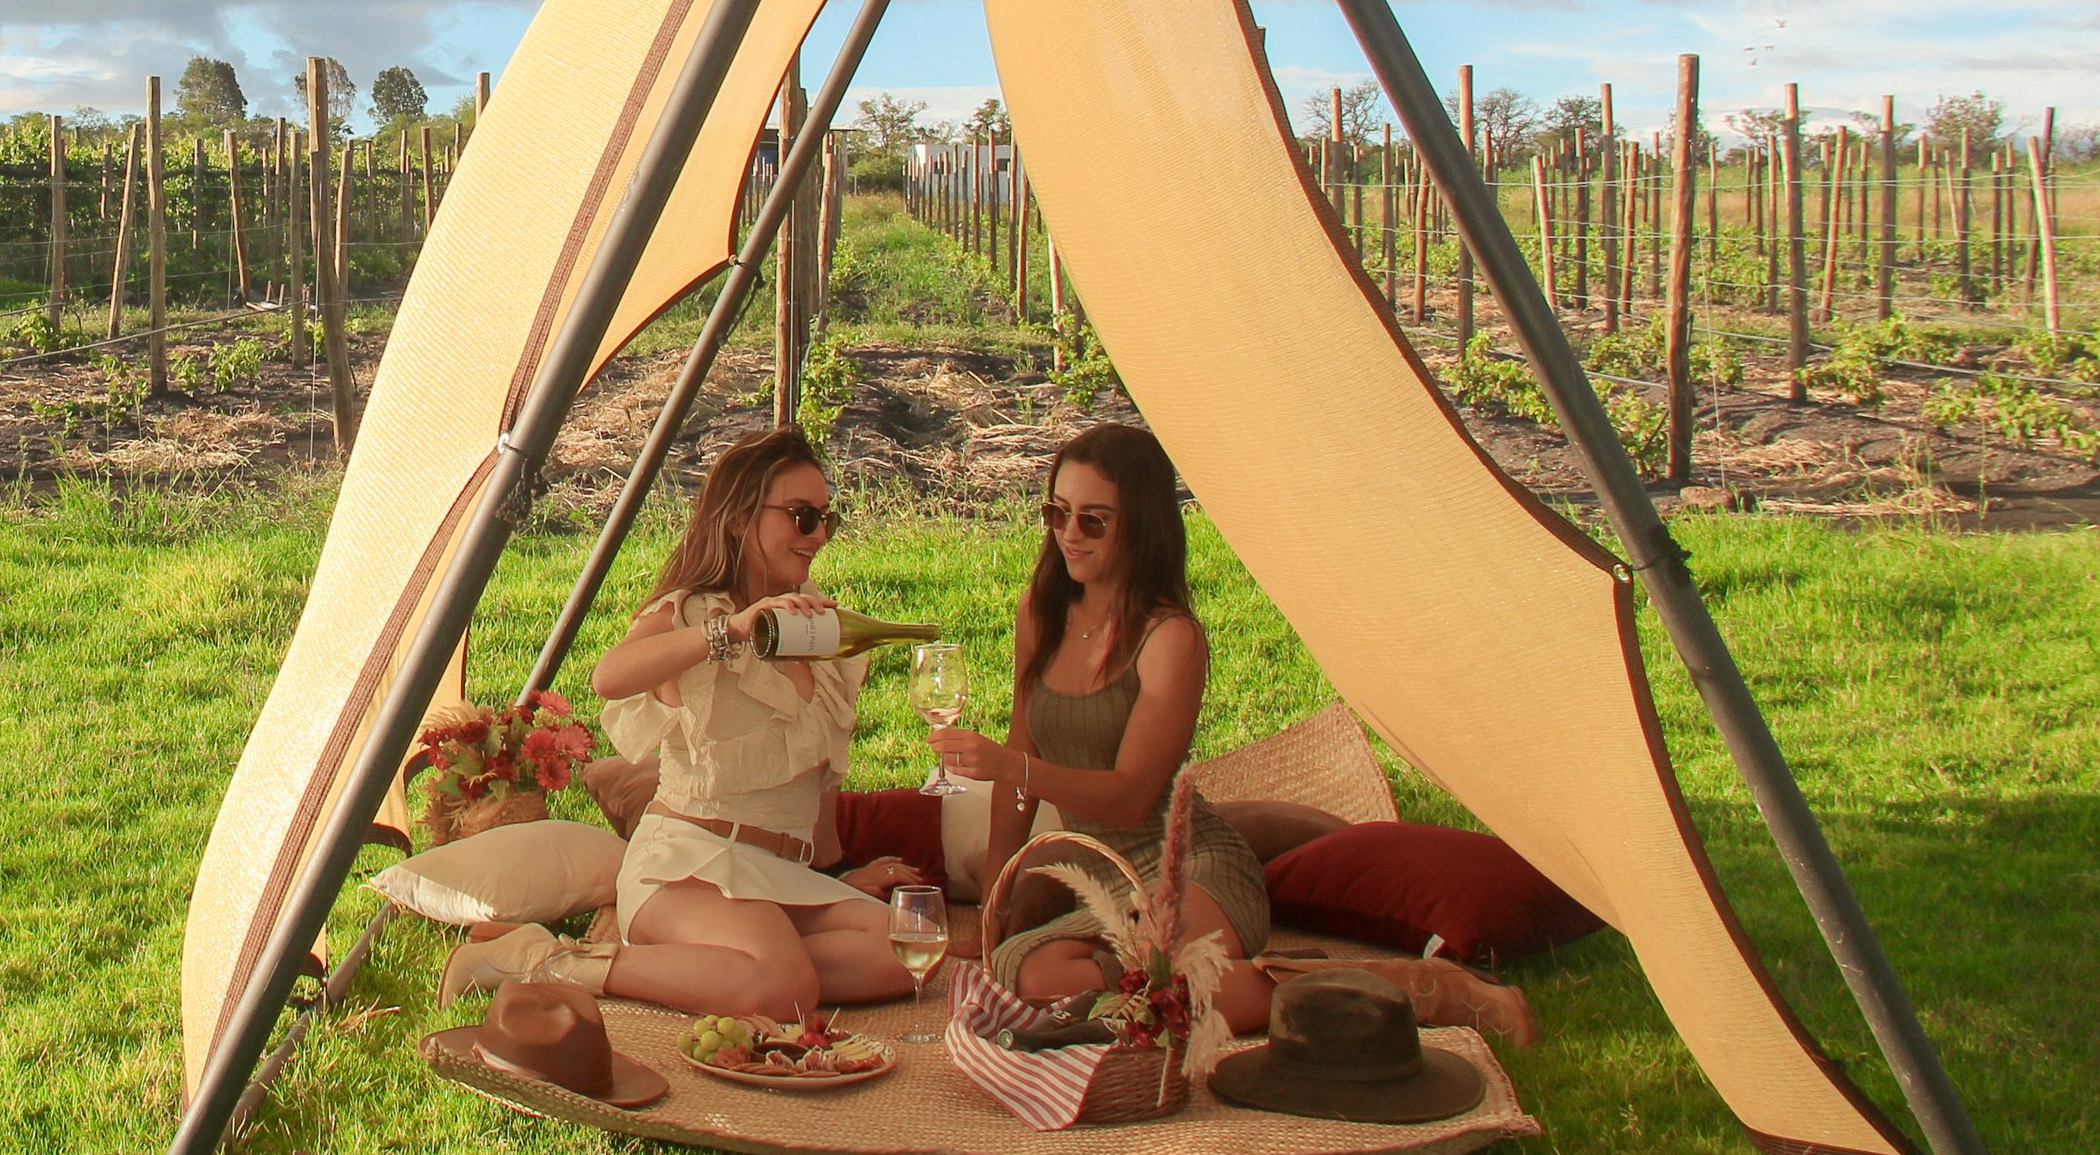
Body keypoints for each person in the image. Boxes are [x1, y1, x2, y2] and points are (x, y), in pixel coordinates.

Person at [927, 422, 1531, 1042]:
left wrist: (1014, 767)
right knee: (1026, 972)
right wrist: (994, 904)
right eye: (1058, 512)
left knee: (1163, 990)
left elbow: (1131, 793)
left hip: (1192, 867)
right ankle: (1256, 981)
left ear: (1140, 524)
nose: (1069, 535)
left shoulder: (1170, 639)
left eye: (1093, 520)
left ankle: (1428, 991)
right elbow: (1021, 758)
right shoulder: (1042, 612)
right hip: (1107, 881)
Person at [445, 426, 927, 1020]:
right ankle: (546, 960)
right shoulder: (696, 611)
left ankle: (730, 965)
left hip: (778, 876)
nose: (820, 534)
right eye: (802, 517)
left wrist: (836, 878)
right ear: (738, 517)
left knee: (904, 950)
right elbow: (610, 677)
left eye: (828, 518)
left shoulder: (816, 627)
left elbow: (814, 778)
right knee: (785, 990)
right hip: (688, 866)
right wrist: (734, 630)